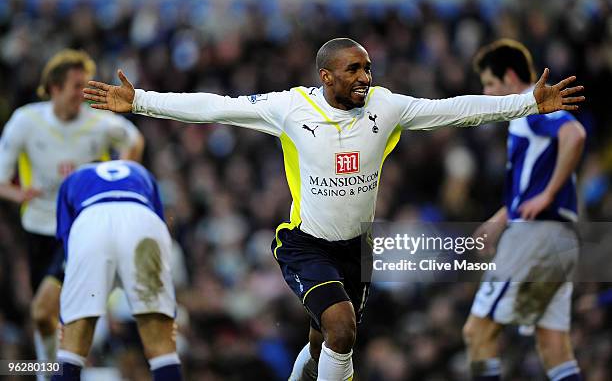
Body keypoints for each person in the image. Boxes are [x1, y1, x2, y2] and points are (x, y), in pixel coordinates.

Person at [84, 38, 583, 381]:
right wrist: (143, 101)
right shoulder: (290, 107)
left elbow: (455, 108)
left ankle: (305, 365)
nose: (365, 76)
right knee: (344, 327)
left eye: (368, 67)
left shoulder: (386, 107)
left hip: (354, 247)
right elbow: (216, 105)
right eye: (354, 69)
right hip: (304, 243)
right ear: (326, 76)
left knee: (326, 341)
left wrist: (524, 103)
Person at [0, 49, 144, 375]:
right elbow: (0, 179)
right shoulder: (26, 121)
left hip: (80, 229)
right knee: (44, 316)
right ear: (53, 86)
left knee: (44, 310)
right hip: (37, 228)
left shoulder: (99, 121)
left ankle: (55, 372)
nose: (83, 93)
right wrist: (18, 193)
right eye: (76, 85)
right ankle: (49, 370)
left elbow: (134, 140)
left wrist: (120, 175)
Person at [463, 39, 586, 381]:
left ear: (511, 77)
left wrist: (547, 194)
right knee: (553, 346)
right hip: (561, 239)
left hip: (536, 236)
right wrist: (498, 219)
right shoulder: (524, 118)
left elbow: (574, 134)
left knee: (478, 332)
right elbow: (525, 191)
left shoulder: (531, 110)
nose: (486, 93)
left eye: (489, 83)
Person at [50, 160, 181, 381]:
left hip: (90, 221)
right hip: (142, 219)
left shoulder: (73, 178)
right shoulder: (141, 171)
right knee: (162, 347)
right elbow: (158, 223)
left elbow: (67, 240)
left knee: (71, 347)